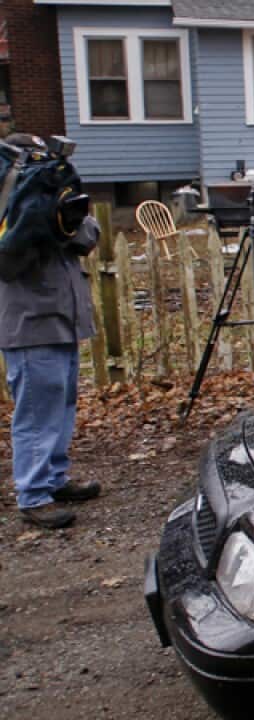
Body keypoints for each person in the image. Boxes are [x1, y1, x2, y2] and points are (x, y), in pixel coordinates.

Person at [0, 144, 102, 529]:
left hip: (61, 318)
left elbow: (87, 233)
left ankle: (55, 478)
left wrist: (66, 222)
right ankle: (33, 494)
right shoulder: (16, 213)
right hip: (31, 322)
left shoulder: (50, 201)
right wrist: (45, 226)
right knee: (37, 413)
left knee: (61, 405)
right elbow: (11, 261)